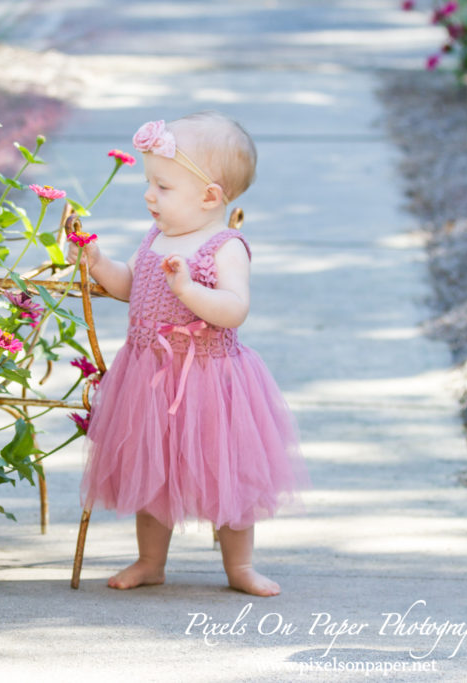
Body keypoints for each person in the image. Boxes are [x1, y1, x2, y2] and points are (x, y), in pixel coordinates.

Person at [67, 111, 308, 597]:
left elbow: (234, 309)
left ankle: (239, 567)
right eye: (149, 183)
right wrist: (97, 262)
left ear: (209, 196)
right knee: (151, 472)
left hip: (209, 382)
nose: (148, 195)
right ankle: (151, 561)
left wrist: (188, 287)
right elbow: (127, 287)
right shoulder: (156, 237)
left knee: (230, 476)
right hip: (149, 379)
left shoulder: (225, 247)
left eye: (162, 186)